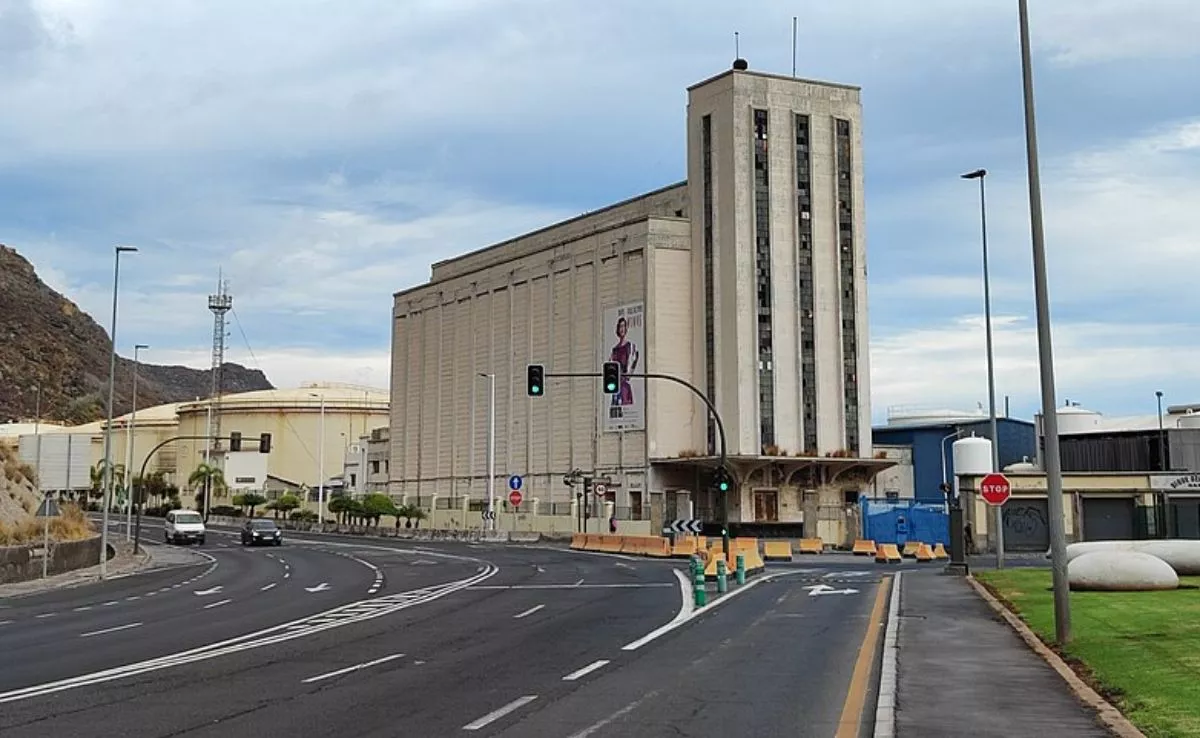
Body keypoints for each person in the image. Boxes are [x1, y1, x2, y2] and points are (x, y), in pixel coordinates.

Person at [609, 316, 639, 407]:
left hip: (624, 385)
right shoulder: (614, 349)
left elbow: (634, 360)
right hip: (616, 386)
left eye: (623, 326)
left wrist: (628, 374)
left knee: (626, 409)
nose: (622, 329)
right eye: (620, 326)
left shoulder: (630, 346)